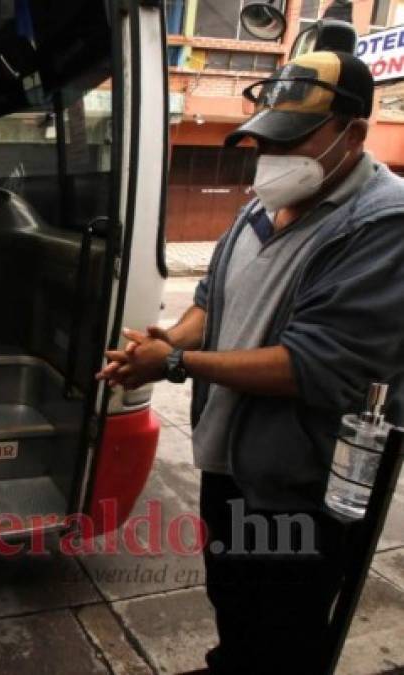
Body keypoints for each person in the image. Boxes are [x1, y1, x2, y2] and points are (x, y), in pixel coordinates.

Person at [97, 51, 404, 674]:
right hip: (230, 462)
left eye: (293, 141)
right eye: (267, 138)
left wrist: (177, 360)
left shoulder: (383, 224)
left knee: (285, 630)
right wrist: (164, 340)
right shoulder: (261, 205)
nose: (273, 157)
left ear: (355, 134)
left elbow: (313, 365)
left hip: (303, 485)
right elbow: (212, 299)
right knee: (233, 599)